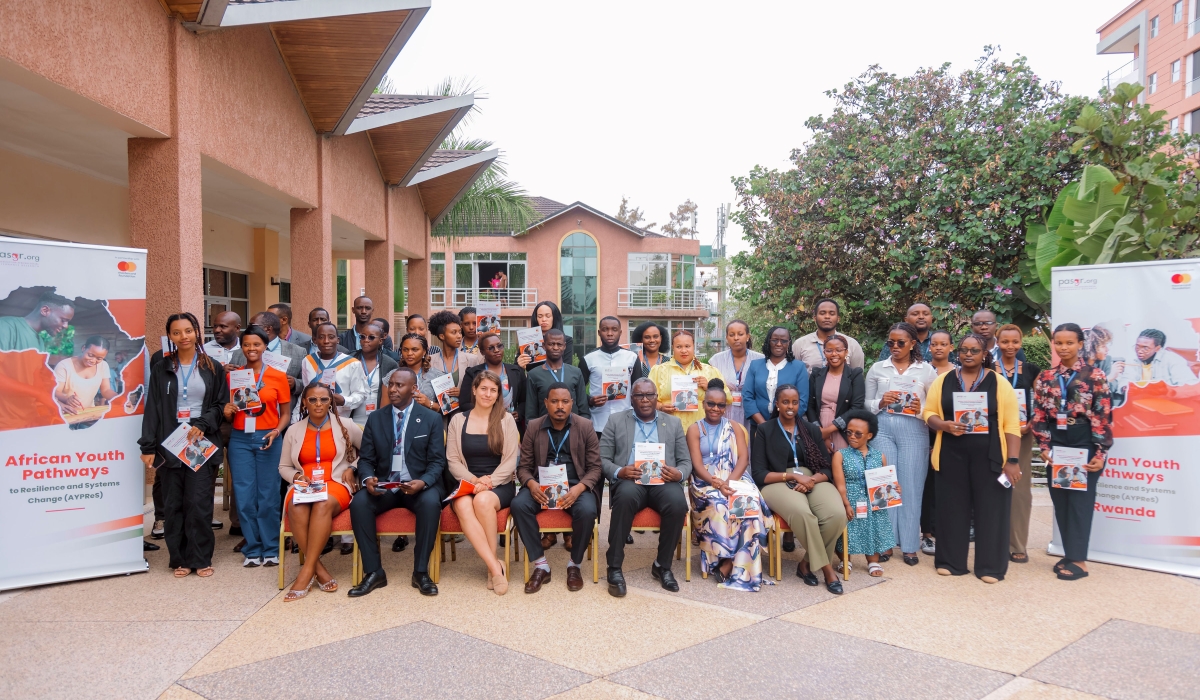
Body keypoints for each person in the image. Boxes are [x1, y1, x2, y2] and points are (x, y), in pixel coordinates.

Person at [923, 334, 1022, 583]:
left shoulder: (999, 383)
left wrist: (1012, 460)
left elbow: (1012, 424)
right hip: (950, 454)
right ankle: (950, 561)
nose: (969, 354)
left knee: (992, 510)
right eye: (965, 350)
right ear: (958, 352)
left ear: (984, 353)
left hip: (990, 456)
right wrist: (943, 425)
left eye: (974, 350)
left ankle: (990, 567)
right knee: (951, 509)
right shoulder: (944, 380)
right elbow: (929, 412)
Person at [138, 312, 227, 578]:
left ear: (197, 332)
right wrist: (148, 447)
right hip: (170, 443)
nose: (183, 337)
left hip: (199, 441)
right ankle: (179, 558)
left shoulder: (212, 367)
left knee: (199, 503)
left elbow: (220, 405)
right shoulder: (161, 367)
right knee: (174, 504)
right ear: (170, 337)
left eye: (188, 331)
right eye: (177, 332)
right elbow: (152, 408)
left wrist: (203, 423)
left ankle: (200, 558)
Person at [348, 367, 446, 597]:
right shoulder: (376, 418)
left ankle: (421, 572)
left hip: (418, 485)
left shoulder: (431, 419)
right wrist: (367, 478)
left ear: (413, 389)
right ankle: (374, 572)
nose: (392, 389)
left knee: (431, 503)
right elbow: (366, 459)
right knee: (359, 503)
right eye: (390, 384)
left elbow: (437, 462)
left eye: (399, 385)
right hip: (386, 485)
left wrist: (422, 482)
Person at [1032, 323, 1113, 582]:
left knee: (1080, 502)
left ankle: (1079, 560)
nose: (1063, 347)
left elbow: (1102, 416)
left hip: (1083, 441)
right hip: (1057, 441)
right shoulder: (1046, 377)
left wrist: (1100, 453)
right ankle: (1069, 553)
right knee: (1062, 500)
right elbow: (1040, 415)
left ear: (1080, 344)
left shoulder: (1095, 376)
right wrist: (1044, 447)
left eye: (1069, 343)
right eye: (1059, 343)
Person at [600, 378, 692, 596]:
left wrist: (678, 473)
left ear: (656, 398)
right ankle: (614, 567)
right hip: (631, 480)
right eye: (639, 395)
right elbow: (601, 459)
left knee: (678, 504)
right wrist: (619, 471)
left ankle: (662, 565)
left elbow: (685, 462)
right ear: (631, 399)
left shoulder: (673, 423)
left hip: (662, 481)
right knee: (624, 498)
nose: (644, 400)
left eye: (649, 395)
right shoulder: (615, 421)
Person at [751, 384, 847, 594]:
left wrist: (810, 480)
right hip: (776, 481)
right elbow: (759, 474)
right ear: (776, 404)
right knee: (803, 514)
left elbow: (826, 467)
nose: (790, 406)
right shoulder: (765, 430)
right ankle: (827, 569)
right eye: (785, 401)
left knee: (836, 514)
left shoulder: (811, 429)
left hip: (812, 477)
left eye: (795, 402)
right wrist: (793, 476)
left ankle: (805, 564)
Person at [513, 384, 602, 593]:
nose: (559, 406)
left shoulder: (585, 426)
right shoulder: (534, 426)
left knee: (588, 510)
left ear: (572, 403)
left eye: (565, 401)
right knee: (518, 504)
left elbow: (595, 467)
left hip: (574, 485)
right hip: (542, 486)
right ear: (546, 403)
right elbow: (523, 468)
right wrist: (532, 484)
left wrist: (579, 488)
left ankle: (575, 565)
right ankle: (541, 565)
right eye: (554, 401)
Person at [278, 382, 362, 600]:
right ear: (304, 402)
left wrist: (352, 468)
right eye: (312, 399)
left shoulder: (346, 424)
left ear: (331, 402)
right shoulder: (294, 430)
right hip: (305, 485)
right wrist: (296, 477)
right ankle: (319, 570)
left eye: (324, 399)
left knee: (322, 505)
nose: (318, 404)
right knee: (295, 507)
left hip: (335, 483)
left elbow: (370, 453)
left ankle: (306, 572)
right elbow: (284, 467)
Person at [866, 321, 938, 566]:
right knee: (885, 486)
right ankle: (885, 543)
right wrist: (880, 402)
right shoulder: (877, 368)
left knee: (911, 486)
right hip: (883, 428)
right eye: (891, 343)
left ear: (912, 344)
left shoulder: (926, 370)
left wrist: (921, 409)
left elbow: (935, 405)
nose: (895, 347)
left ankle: (909, 546)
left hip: (914, 429)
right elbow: (864, 404)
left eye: (900, 342)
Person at [687, 379, 769, 590]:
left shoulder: (735, 427)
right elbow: (696, 465)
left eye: (720, 405)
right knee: (720, 504)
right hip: (704, 483)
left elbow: (743, 459)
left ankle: (729, 562)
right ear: (703, 404)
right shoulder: (694, 429)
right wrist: (717, 483)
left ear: (726, 406)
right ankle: (727, 558)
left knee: (747, 506)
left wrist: (729, 482)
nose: (715, 408)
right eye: (711, 404)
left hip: (734, 478)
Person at [445, 371, 520, 595]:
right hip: (467, 483)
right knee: (464, 505)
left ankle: (492, 565)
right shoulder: (458, 420)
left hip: (499, 484)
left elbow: (510, 461)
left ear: (498, 395)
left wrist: (488, 482)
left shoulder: (506, 420)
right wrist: (473, 480)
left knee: (483, 501)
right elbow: (453, 460)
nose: (488, 394)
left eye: (493, 390)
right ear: (475, 390)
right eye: (484, 389)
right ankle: (495, 567)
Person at [222, 326, 291, 567]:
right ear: (242, 347)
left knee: (269, 496)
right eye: (247, 345)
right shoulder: (233, 376)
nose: (251, 349)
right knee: (244, 496)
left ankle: (271, 547)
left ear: (265, 347)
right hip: (240, 439)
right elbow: (230, 414)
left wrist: (277, 431)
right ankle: (252, 548)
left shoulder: (278, 376)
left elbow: (285, 413)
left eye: (257, 345)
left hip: (269, 438)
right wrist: (228, 412)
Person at [831, 409, 896, 578]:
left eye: (858, 434)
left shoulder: (879, 456)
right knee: (847, 531)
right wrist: (845, 503)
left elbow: (884, 483)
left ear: (869, 435)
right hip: (850, 498)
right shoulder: (840, 455)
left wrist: (895, 489)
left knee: (873, 528)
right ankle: (845, 560)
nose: (852, 437)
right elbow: (840, 484)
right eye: (849, 432)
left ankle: (873, 561)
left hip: (874, 501)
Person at [995, 324, 1039, 564]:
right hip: (994, 435)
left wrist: (1033, 422)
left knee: (1019, 490)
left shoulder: (1032, 370)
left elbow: (1043, 401)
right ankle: (994, 540)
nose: (1010, 346)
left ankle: (1017, 544)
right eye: (1005, 341)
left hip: (1022, 434)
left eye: (1015, 341)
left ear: (1020, 343)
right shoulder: (988, 369)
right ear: (997, 342)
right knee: (992, 488)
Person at [920, 329, 957, 556]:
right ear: (929, 347)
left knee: (950, 486)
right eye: (934, 344)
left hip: (953, 433)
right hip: (926, 432)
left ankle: (948, 530)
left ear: (951, 347)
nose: (939, 348)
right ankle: (927, 534)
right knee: (929, 485)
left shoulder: (960, 372)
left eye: (944, 344)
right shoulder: (923, 370)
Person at [650, 329, 729, 432]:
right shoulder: (658, 371)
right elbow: (647, 398)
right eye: (679, 347)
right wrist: (660, 407)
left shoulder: (709, 371)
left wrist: (709, 388)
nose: (683, 350)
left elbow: (727, 398)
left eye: (687, 346)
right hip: (668, 427)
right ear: (673, 348)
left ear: (693, 347)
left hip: (702, 429)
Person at [581, 317, 643, 435]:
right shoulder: (588, 359)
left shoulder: (632, 357)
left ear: (620, 332)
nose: (610, 333)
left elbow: (638, 389)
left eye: (614, 329)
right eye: (605, 329)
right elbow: (577, 390)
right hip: (597, 423)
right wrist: (590, 400)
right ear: (599, 333)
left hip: (626, 421)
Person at [743, 326, 808, 439]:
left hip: (788, 427)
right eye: (774, 340)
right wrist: (763, 425)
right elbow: (747, 397)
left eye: (783, 341)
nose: (779, 344)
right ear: (769, 341)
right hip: (758, 427)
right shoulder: (755, 365)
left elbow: (802, 401)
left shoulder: (799, 367)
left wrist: (780, 425)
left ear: (789, 343)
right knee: (759, 457)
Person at [806, 334, 865, 453]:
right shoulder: (816, 374)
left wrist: (828, 431)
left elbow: (856, 407)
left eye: (839, 350)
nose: (834, 354)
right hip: (819, 427)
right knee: (822, 467)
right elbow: (810, 406)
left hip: (844, 429)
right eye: (829, 350)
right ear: (824, 352)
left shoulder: (855, 375)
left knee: (843, 467)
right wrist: (819, 432)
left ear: (846, 352)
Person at [300, 322, 367, 421]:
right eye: (321, 337)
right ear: (315, 340)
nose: (326, 341)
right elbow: (305, 391)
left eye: (331, 337)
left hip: (340, 420)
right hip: (312, 420)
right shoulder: (308, 361)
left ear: (338, 340)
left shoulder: (352, 364)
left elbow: (360, 394)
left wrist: (344, 401)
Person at [459, 334, 526, 430]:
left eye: (499, 346)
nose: (496, 350)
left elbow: (525, 400)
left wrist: (519, 412)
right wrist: (488, 413)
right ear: (482, 352)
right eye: (491, 348)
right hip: (481, 427)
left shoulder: (517, 371)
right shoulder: (472, 373)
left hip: (510, 426)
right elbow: (465, 403)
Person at [233, 311, 305, 399]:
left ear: (268, 329)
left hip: (283, 409)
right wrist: (224, 372)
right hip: (248, 407)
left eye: (252, 325)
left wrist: (295, 383)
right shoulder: (238, 353)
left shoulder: (298, 352)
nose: (249, 328)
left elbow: (307, 383)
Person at [53, 336, 120, 429]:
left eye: (99, 358)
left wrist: (121, 399)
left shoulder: (103, 365)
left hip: (88, 416)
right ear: (83, 348)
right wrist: (67, 399)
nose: (93, 360)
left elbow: (106, 390)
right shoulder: (64, 366)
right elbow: (56, 391)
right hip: (66, 416)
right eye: (90, 355)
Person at [525, 329, 590, 423]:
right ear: (544, 346)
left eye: (559, 344)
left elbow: (583, 409)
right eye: (551, 344)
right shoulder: (534, 374)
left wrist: (582, 433)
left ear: (564, 346)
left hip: (572, 431)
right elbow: (531, 413)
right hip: (545, 431)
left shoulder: (576, 372)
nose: (555, 348)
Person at [707, 320, 764, 426]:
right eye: (732, 335)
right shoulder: (716, 360)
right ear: (727, 338)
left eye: (740, 334)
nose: (736, 338)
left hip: (752, 414)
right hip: (724, 412)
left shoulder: (760, 360)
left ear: (747, 336)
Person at [1114, 328, 1200, 393]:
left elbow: (1190, 385)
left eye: (1145, 348)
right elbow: (1126, 380)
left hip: (1167, 402)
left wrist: (1168, 390)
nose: (1139, 351)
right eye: (1137, 346)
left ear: (1158, 348)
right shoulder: (1132, 359)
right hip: (1139, 401)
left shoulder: (1172, 359)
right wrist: (1125, 387)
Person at [792, 298, 866, 370]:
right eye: (822, 313)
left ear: (838, 318)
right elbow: (793, 374)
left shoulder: (852, 345)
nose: (827, 317)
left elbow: (857, 377)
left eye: (832, 313)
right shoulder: (800, 344)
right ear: (815, 318)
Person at [427, 310, 483, 404]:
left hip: (462, 413)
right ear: (442, 336)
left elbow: (478, 389)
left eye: (460, 332)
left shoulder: (471, 359)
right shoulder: (430, 361)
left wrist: (463, 393)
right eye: (454, 332)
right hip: (439, 414)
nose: (459, 336)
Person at [351, 320, 399, 428]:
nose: (365, 340)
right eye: (362, 337)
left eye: (371, 337)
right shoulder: (350, 360)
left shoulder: (389, 364)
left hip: (378, 421)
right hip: (352, 419)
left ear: (381, 341)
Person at [0, 291, 74, 351]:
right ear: (45, 311)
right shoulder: (6, 326)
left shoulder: (40, 343)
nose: (66, 326)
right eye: (63, 320)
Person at [398, 332, 446, 416]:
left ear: (424, 351)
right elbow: (385, 409)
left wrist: (429, 403)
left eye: (414, 349)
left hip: (428, 425)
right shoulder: (393, 375)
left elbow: (448, 409)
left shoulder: (439, 375)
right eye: (405, 349)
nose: (409, 353)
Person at [518, 301, 574, 370]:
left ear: (555, 318)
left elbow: (567, 367)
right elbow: (517, 372)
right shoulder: (527, 341)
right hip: (534, 379)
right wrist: (520, 365)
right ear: (536, 318)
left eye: (548, 316)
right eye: (540, 316)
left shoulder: (567, 340)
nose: (544, 320)